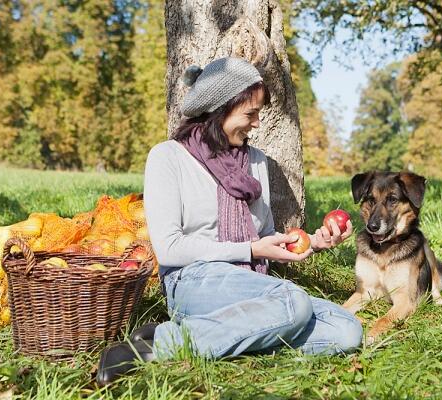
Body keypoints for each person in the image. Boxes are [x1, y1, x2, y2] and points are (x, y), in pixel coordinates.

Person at [96, 57, 362, 386]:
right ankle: (153, 347)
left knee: (347, 329)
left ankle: (217, 336)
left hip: (252, 284)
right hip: (193, 280)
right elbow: (169, 249)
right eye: (250, 114)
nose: (257, 123)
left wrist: (315, 241)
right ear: (220, 108)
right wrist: (250, 250)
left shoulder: (256, 161)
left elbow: (264, 237)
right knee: (293, 301)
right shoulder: (168, 157)